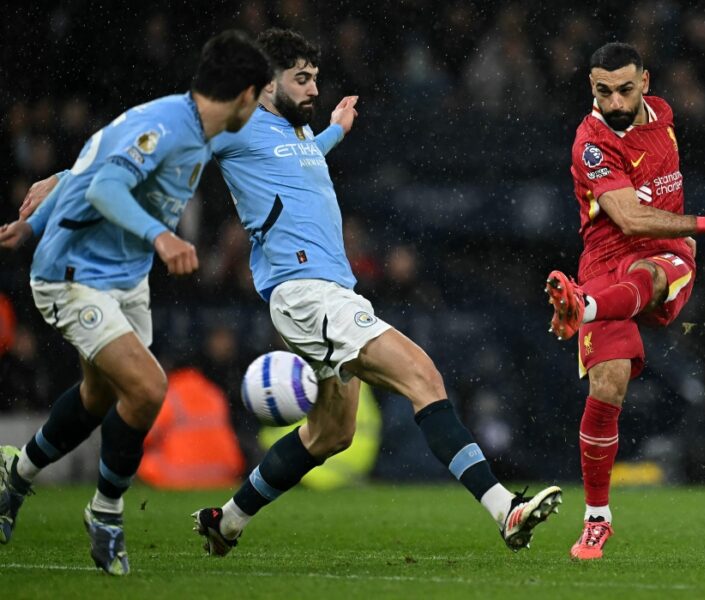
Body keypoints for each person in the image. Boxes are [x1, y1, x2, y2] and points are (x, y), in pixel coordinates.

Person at [196, 28, 561, 556]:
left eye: (316, 78)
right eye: (301, 78)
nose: (313, 89)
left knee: (330, 435)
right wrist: (71, 179)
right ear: (265, 81)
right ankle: (505, 508)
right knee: (423, 377)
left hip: (326, 295)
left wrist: (333, 134)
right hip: (307, 295)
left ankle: (225, 520)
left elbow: (295, 164)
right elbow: (160, 148)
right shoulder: (238, 126)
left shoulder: (294, 134)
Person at [0, 30, 270, 576]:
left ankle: (15, 476)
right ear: (244, 95)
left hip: (125, 279)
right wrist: (161, 237)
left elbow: (92, 158)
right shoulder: (166, 127)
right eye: (260, 95)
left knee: (100, 394)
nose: (261, 105)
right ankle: (106, 512)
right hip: (73, 275)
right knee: (147, 388)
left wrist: (39, 208)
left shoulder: (191, 124)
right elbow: (103, 188)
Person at [544, 42, 705, 560]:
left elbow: (650, 221)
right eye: (602, 91)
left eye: (625, 89)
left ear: (647, 83)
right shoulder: (590, 143)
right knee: (608, 385)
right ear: (591, 88)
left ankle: (584, 308)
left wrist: (694, 233)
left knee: (649, 273)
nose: (614, 102)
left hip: (665, 255)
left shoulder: (664, 115)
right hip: (602, 262)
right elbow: (631, 218)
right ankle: (597, 519)